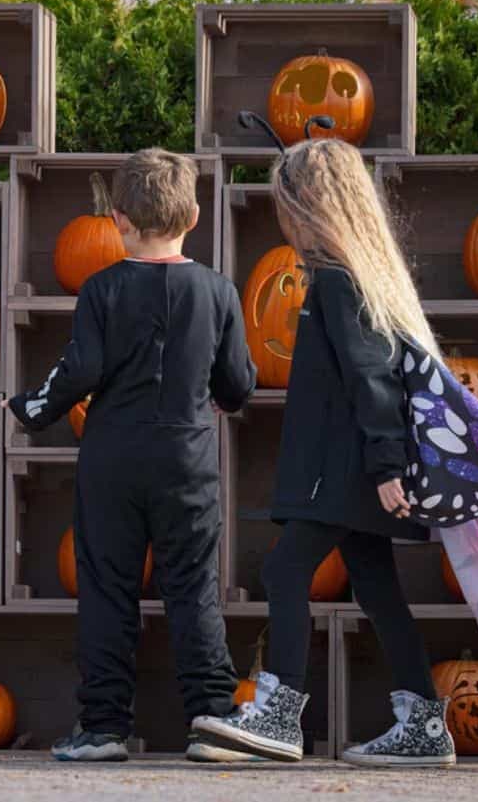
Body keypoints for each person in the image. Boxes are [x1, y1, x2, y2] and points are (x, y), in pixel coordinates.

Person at [192, 137, 456, 767]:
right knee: (377, 586)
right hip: (354, 463)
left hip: (342, 467)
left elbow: (372, 376)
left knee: (285, 572)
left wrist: (388, 464)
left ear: (310, 206)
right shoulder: (361, 276)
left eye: (287, 205)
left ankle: (281, 715)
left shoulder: (339, 283)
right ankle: (423, 723)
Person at [4, 148, 257, 762]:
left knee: (106, 589)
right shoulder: (219, 291)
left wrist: (32, 406)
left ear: (118, 220)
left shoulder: (100, 289)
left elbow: (81, 368)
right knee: (193, 587)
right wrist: (219, 395)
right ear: (193, 216)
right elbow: (238, 383)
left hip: (112, 457)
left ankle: (103, 728)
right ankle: (212, 719)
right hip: (187, 458)